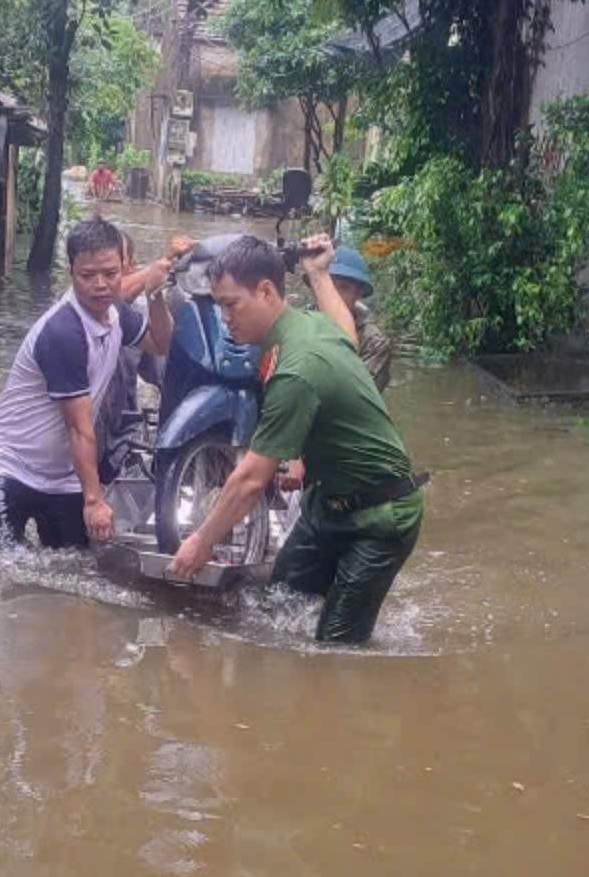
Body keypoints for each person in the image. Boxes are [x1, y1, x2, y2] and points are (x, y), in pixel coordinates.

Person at [168, 233, 423, 644]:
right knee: (274, 607)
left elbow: (251, 479)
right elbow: (347, 331)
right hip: (328, 504)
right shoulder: (310, 326)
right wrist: (318, 274)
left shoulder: (296, 367)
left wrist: (200, 541)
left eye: (231, 304)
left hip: (381, 518)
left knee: (334, 649)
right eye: (219, 307)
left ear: (266, 291)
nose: (225, 318)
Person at [0, 217, 187, 548]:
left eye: (110, 274)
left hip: (62, 476)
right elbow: (79, 427)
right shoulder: (64, 332)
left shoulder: (118, 315)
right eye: (88, 276)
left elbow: (162, 345)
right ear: (71, 272)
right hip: (11, 466)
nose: (100, 285)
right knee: (1, 573)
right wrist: (93, 500)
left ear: (124, 268)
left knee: (74, 573)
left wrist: (156, 294)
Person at [315, 244, 392, 390]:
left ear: (358, 294)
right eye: (329, 285)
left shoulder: (374, 343)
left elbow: (358, 398)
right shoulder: (303, 323)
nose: (334, 294)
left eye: (344, 288)